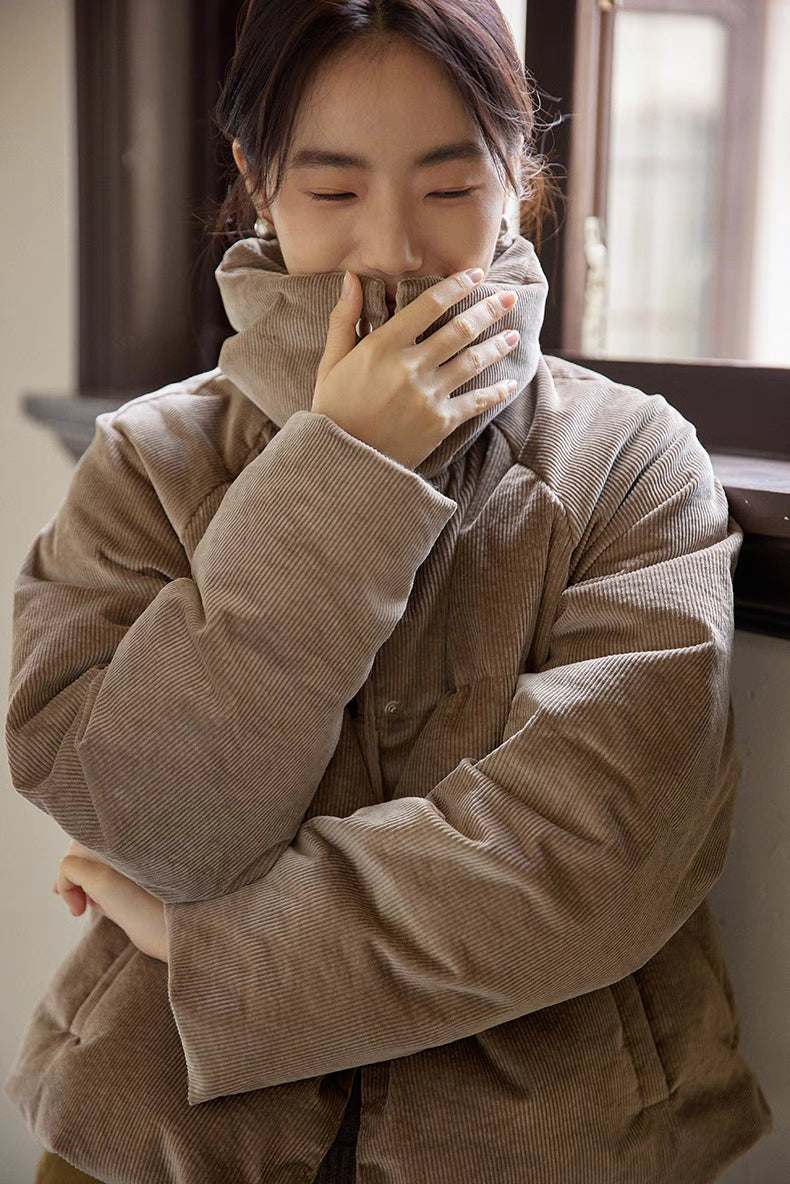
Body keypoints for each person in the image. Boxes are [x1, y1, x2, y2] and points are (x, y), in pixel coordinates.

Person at [5, 2, 773, 1182]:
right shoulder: (148, 461)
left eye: (448, 185)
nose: (393, 247)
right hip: (156, 1134)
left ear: (516, 176)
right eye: (332, 188)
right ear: (256, 180)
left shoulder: (632, 461)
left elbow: (590, 859)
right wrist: (346, 470)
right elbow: (147, 816)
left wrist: (208, 944)